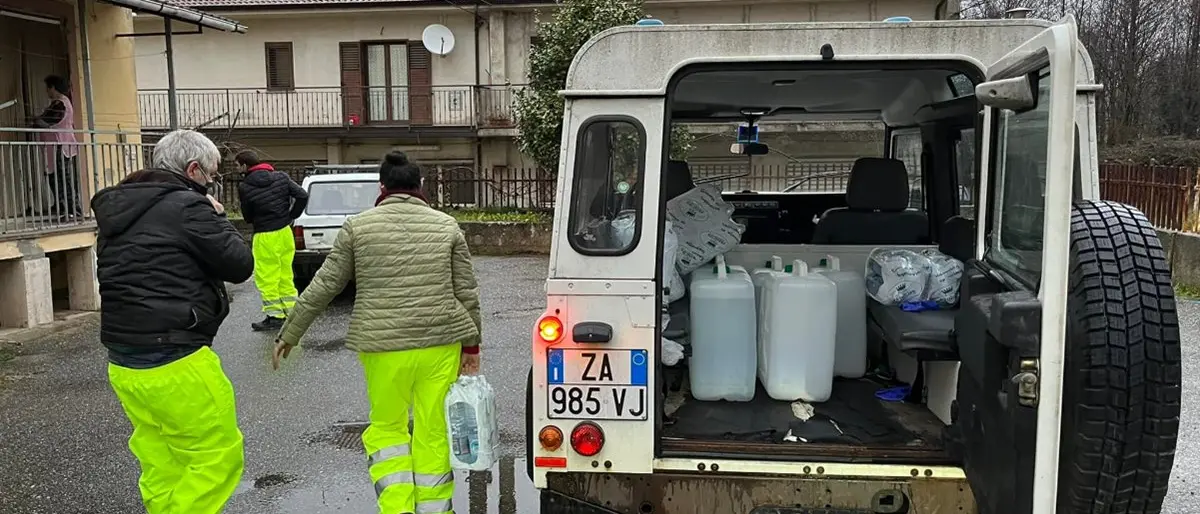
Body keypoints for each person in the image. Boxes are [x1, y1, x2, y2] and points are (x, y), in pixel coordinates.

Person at [272, 151, 482, 514]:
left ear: (382, 187)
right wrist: (472, 348)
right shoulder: (447, 225)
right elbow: (467, 292)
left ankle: (397, 507)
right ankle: (435, 509)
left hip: (383, 347)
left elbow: (326, 283)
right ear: (421, 186)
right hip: (441, 343)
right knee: (433, 430)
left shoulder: (358, 226)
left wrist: (290, 332)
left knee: (388, 428)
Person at [91, 129, 254, 514]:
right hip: (176, 357)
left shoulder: (119, 207)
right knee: (217, 456)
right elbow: (239, 265)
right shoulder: (188, 207)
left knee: (160, 458)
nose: (212, 183)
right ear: (193, 170)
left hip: (124, 360)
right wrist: (220, 217)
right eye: (212, 175)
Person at [235, 150, 308, 331]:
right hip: (284, 232)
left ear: (244, 165)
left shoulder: (245, 187)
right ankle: (292, 313)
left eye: (237, 165)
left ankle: (275, 316)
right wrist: (291, 216)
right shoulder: (281, 177)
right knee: (285, 274)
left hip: (265, 235)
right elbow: (302, 195)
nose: (236, 169)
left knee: (267, 277)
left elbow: (247, 216)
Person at [32, 75, 80, 220]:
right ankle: (63, 207)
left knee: (61, 178)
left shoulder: (60, 104)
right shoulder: (60, 103)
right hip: (57, 146)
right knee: (57, 177)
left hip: (60, 145)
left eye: (48, 88)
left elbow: (46, 121)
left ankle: (69, 209)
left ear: (53, 87)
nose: (47, 91)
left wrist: (35, 120)